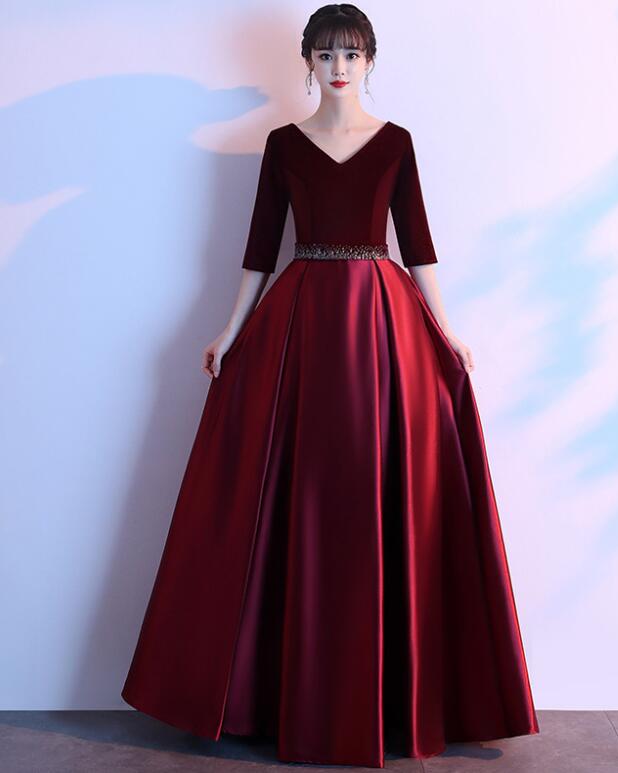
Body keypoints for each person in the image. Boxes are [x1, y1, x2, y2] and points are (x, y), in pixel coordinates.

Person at [121, 4, 539, 768]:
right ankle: (274, 694)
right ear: (307, 61)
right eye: (325, 53)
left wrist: (444, 331)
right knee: (295, 493)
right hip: (302, 321)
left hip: (381, 324)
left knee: (385, 488)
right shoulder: (282, 145)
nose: (338, 66)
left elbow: (418, 246)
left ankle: (392, 695)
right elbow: (258, 247)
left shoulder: (397, 142)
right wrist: (229, 329)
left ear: (370, 60)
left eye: (350, 53)